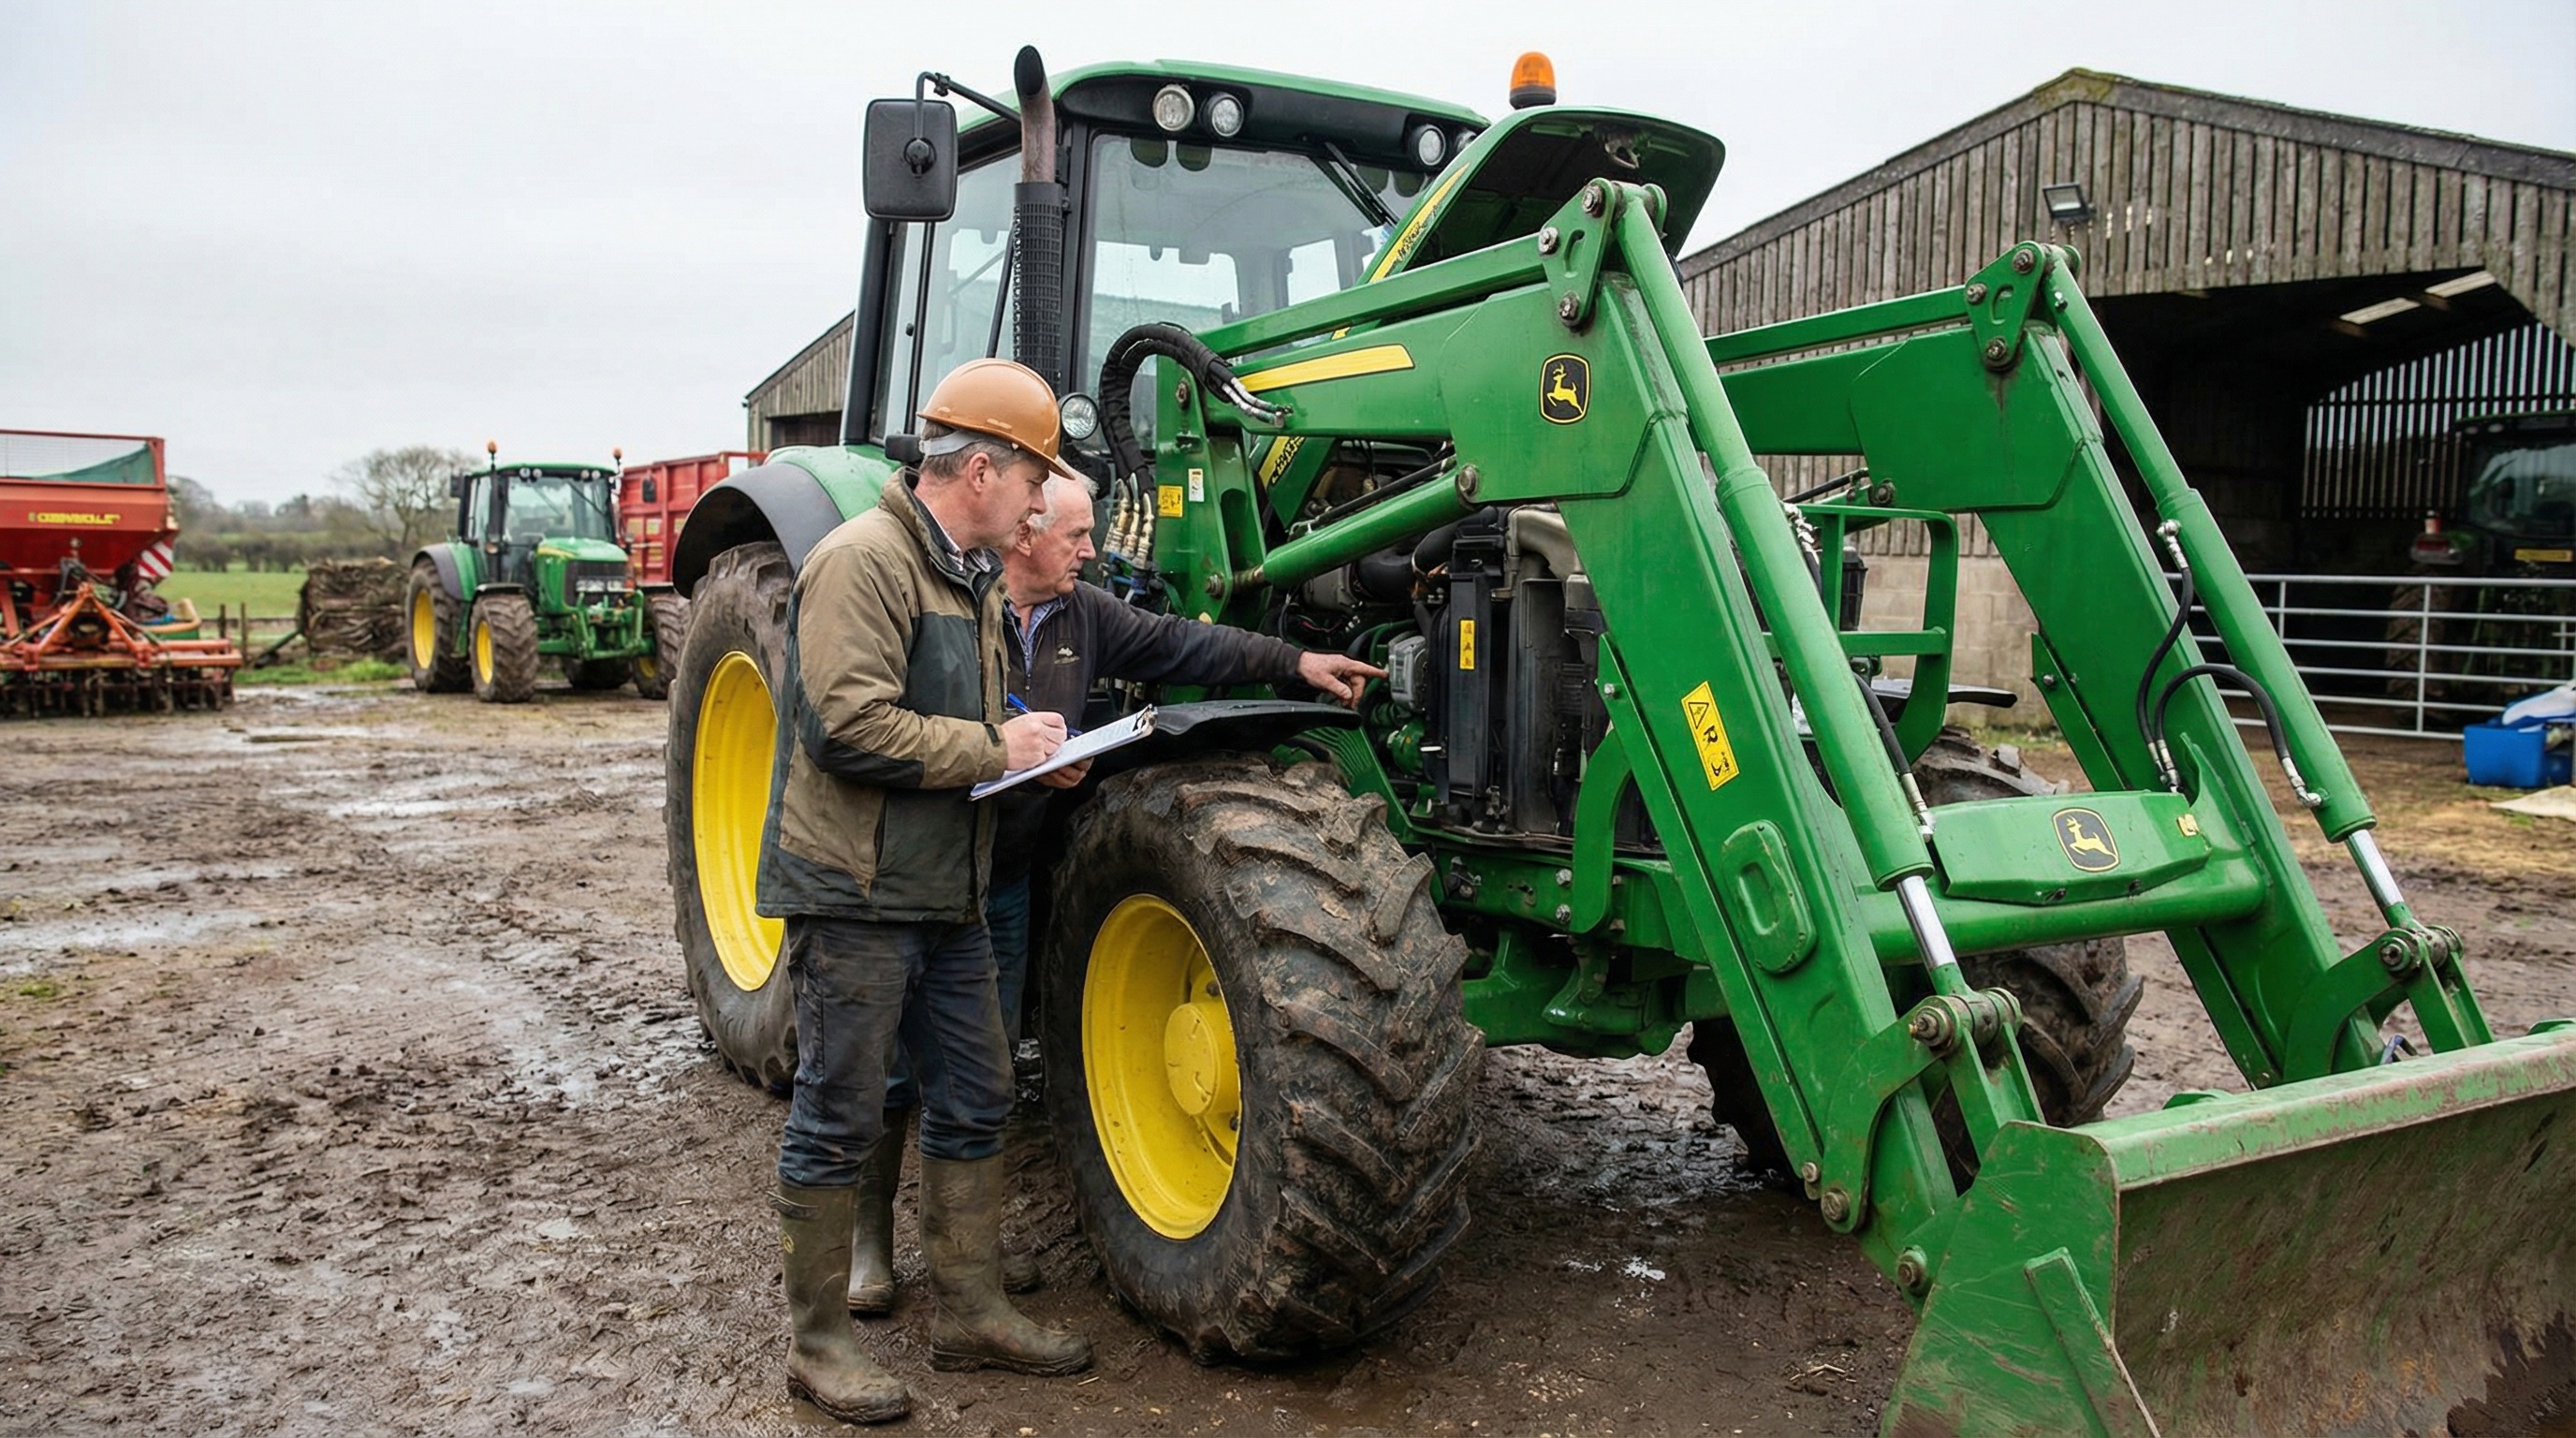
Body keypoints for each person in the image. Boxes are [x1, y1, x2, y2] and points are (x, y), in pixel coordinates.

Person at [849, 473, 1383, 1314]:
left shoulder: (1084, 615)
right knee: (884, 1065)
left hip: (1008, 877)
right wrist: (1010, 751)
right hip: (921, 869)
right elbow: (885, 731)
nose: (1094, 552)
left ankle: (966, 1255)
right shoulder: (955, 605)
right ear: (1025, 534)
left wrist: (1297, 661)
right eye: (1078, 537)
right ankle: (866, 1246)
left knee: (983, 1065)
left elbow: (1186, 645)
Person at [757, 358, 1093, 1427]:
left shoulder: (968, 573)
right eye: (1035, 477)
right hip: (856, 893)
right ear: (980, 467)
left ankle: (970, 1310)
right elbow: (846, 726)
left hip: (945, 889)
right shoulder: (863, 562)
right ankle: (817, 1345)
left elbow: (947, 724)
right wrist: (994, 742)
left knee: (978, 1092)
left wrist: (1024, 757)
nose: (1043, 503)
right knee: (839, 1113)